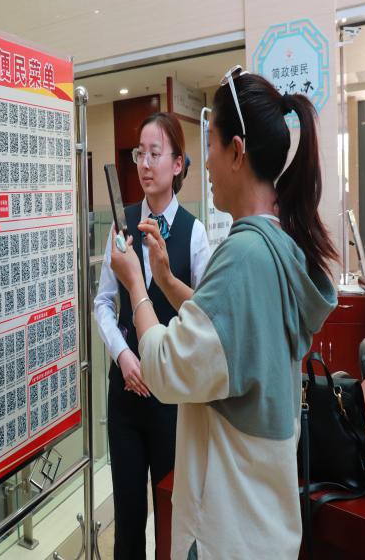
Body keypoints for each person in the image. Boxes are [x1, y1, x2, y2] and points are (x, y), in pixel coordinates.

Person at [110, 67, 338, 560]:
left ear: (236, 152)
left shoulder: (243, 256)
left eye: (209, 145)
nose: (205, 163)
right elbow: (228, 334)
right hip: (263, 516)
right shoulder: (275, 245)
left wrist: (137, 285)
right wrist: (167, 281)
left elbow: (166, 366)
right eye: (140, 153)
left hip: (228, 525)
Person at [94, 112, 210, 559]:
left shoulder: (194, 234)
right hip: (125, 396)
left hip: (172, 402)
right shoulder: (121, 223)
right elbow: (104, 304)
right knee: (127, 518)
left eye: (155, 153)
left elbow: (203, 315)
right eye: (139, 153)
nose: (144, 163)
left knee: (171, 515)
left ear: (177, 164)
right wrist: (123, 356)